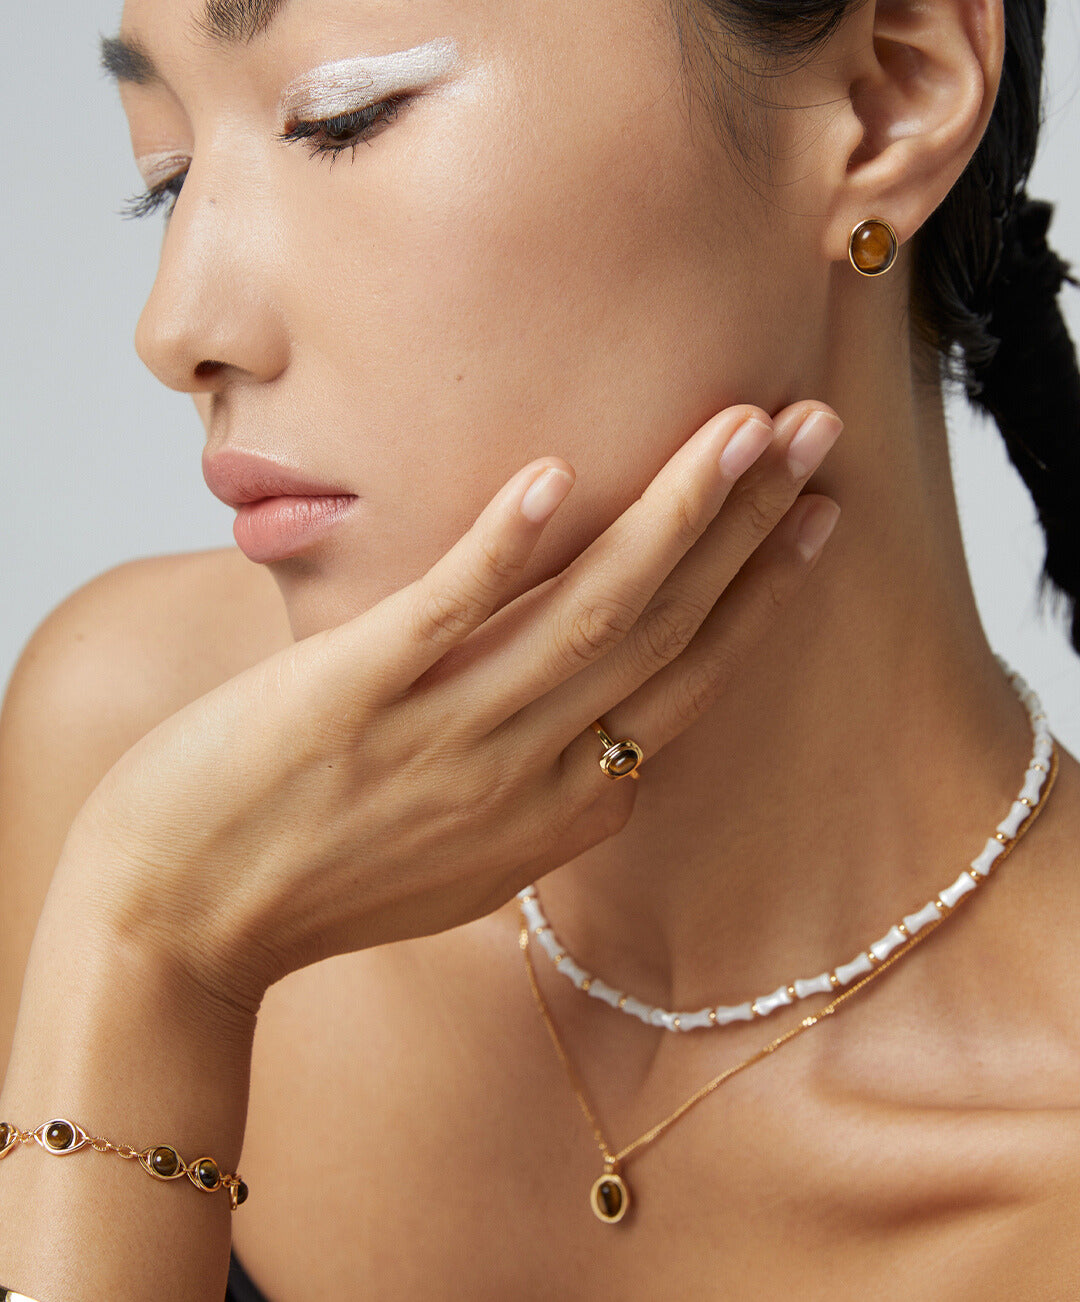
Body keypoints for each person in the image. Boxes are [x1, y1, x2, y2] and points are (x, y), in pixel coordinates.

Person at [1, 0, 1079, 1295]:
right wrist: (149, 965)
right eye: (165, 176)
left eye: (341, 118)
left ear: (889, 100)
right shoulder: (139, 763)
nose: (175, 328)